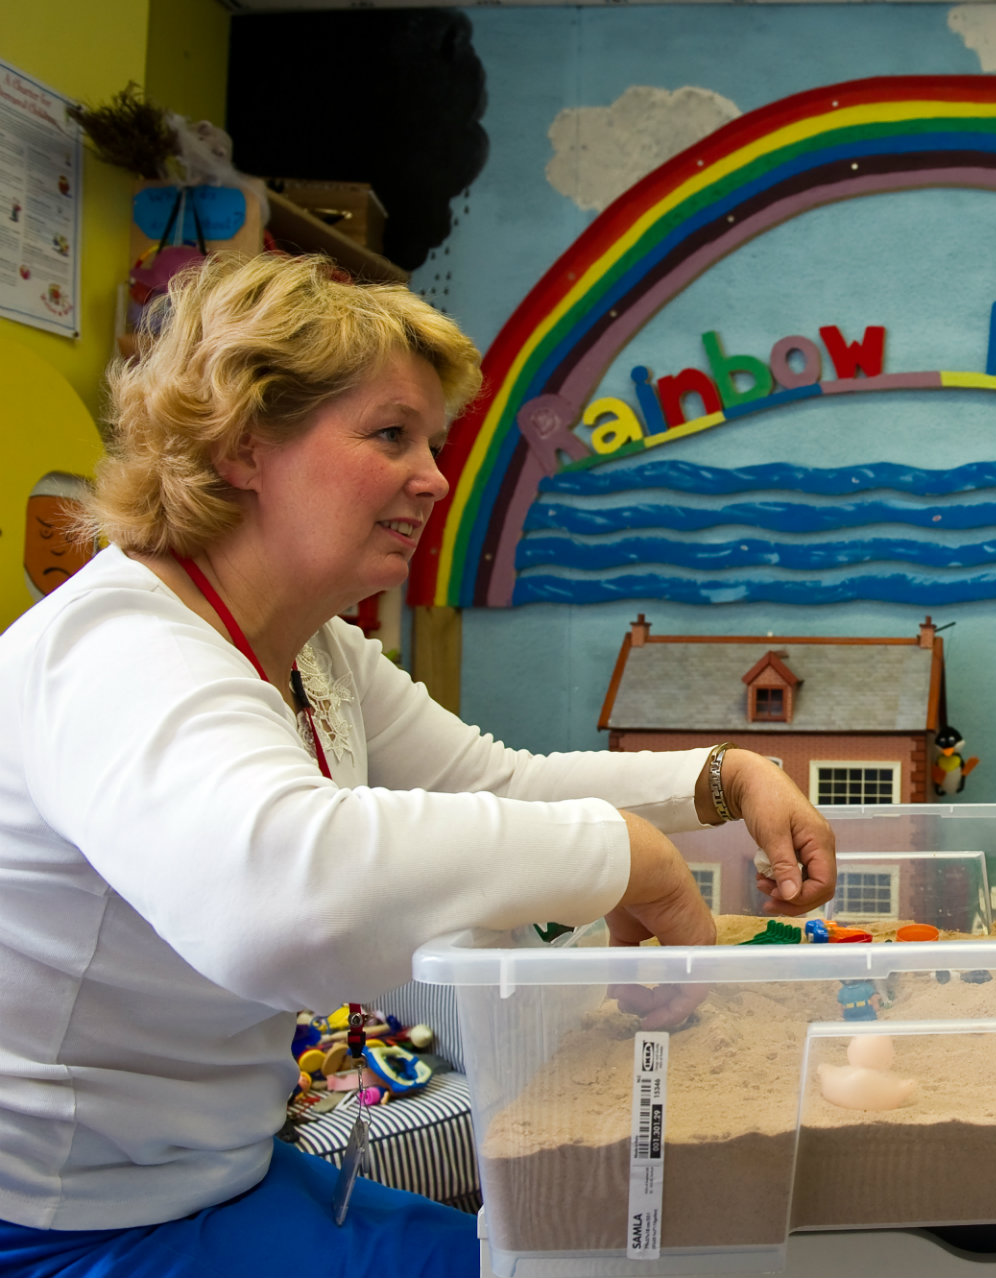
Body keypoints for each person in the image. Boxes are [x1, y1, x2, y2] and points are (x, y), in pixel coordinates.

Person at [0, 253, 836, 1277]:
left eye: (431, 442)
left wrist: (723, 775)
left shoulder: (312, 650)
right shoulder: (116, 648)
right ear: (244, 443)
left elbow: (497, 788)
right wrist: (626, 856)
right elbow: (285, 901)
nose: (435, 476)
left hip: (217, 1174)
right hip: (69, 1230)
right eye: (390, 434)